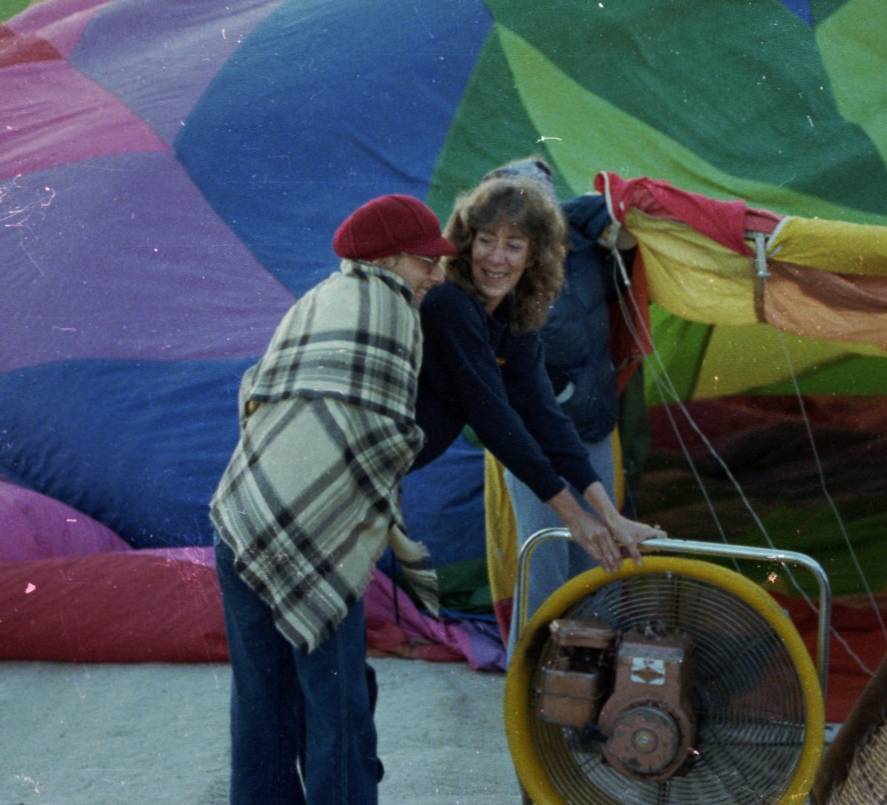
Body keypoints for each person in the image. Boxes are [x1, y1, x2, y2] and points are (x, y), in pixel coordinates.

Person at [209, 193, 454, 805]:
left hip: (243, 518)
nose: (437, 274)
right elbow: (386, 435)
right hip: (316, 538)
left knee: (261, 700)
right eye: (427, 261)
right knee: (336, 704)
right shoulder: (391, 310)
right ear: (392, 260)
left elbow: (259, 397)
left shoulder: (317, 299)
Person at [412, 172, 662, 590]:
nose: (496, 258)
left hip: (390, 466)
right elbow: (492, 416)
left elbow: (543, 415)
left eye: (514, 246)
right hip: (357, 462)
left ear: (534, 256)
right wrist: (575, 516)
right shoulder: (449, 304)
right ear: (466, 241)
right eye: (486, 240)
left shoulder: (513, 311)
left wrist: (609, 515)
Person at [481, 158, 651, 623]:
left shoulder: (584, 247)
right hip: (530, 437)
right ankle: (530, 684)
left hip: (593, 424)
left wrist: (595, 215)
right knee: (545, 562)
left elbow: (627, 225)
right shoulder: (493, 268)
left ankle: (583, 679)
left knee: (598, 563)